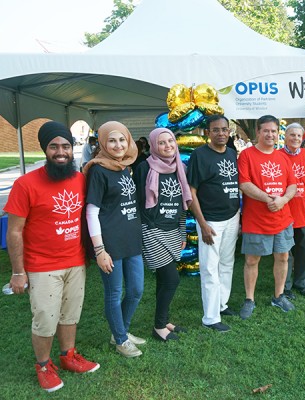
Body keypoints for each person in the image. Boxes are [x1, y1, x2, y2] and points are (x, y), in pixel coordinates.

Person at [5, 121, 99, 393]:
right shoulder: (25, 184)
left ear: (73, 149)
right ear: (45, 149)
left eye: (66, 146)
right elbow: (14, 232)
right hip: (41, 265)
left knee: (70, 314)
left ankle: (68, 356)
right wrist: (18, 272)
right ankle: (43, 366)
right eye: (54, 146)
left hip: (75, 261)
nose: (61, 152)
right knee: (46, 317)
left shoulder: (80, 178)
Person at [83, 121, 146, 358]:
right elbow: (92, 212)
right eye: (112, 140)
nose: (118, 145)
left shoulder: (125, 167)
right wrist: (100, 250)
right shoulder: (99, 170)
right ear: (103, 143)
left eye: (122, 140)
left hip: (131, 240)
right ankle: (120, 339)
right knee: (114, 293)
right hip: (110, 243)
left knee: (137, 290)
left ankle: (120, 330)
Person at [134, 128, 192, 340]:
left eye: (171, 141)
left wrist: (183, 232)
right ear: (153, 146)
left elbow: (181, 204)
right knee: (171, 279)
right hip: (152, 230)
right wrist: (144, 231)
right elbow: (139, 203)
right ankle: (159, 327)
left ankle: (164, 321)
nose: (168, 146)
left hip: (173, 231)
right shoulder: (143, 168)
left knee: (163, 279)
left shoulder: (180, 168)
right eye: (162, 143)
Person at [237, 115, 297, 320]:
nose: (270, 134)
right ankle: (249, 299)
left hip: (282, 218)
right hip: (256, 220)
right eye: (266, 131)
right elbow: (244, 184)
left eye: (273, 131)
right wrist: (268, 199)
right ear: (258, 132)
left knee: (283, 256)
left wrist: (283, 200)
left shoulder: (283, 157)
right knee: (252, 260)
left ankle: (278, 296)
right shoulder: (247, 155)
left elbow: (293, 184)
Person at [187, 115, 241, 332]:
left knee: (227, 264)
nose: (221, 133)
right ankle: (210, 318)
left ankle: (222, 304)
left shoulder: (231, 153)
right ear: (207, 132)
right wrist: (202, 224)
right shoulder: (199, 156)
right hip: (210, 221)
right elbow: (191, 192)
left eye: (224, 130)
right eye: (216, 130)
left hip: (232, 217)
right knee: (210, 268)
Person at [279, 123, 305, 298]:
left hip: (303, 212)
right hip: (284, 213)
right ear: (285, 137)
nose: (295, 138)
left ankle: (300, 283)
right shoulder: (277, 156)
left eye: (298, 136)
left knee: (303, 252)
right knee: (285, 253)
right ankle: (285, 287)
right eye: (292, 135)